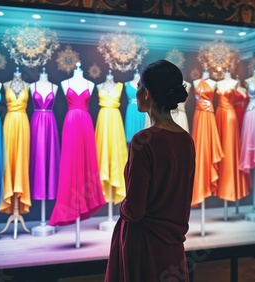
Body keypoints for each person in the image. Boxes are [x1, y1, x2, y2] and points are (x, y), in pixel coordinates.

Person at [105, 60, 196, 282]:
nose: (136, 92)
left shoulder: (144, 141)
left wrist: (123, 209)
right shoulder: (186, 140)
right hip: (173, 245)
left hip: (142, 244)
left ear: (147, 93)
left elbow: (135, 209)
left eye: (138, 87)